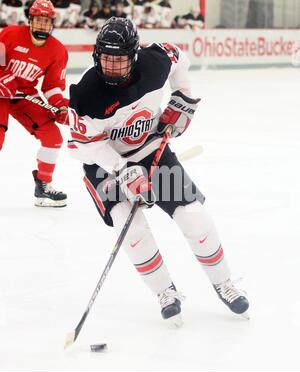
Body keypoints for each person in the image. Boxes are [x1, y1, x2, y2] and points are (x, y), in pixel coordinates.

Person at [68, 17, 249, 325]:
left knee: (193, 215)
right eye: (106, 59)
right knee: (131, 228)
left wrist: (183, 98)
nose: (112, 67)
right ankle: (166, 291)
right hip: (105, 164)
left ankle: (224, 283)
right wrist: (122, 170)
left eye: (120, 59)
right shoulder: (86, 93)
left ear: (135, 55)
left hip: (152, 150)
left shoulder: (155, 61)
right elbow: (85, 147)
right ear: (97, 55)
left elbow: (181, 59)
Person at [0, 0, 68, 207]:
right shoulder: (8, 34)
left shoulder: (58, 51)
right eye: (38, 21)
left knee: (54, 138)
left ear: (52, 24)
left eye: (46, 22)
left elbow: (52, 86)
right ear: (30, 20)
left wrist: (59, 105)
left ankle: (43, 187)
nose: (42, 26)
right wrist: (2, 76)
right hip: (0, 92)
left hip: (25, 95)